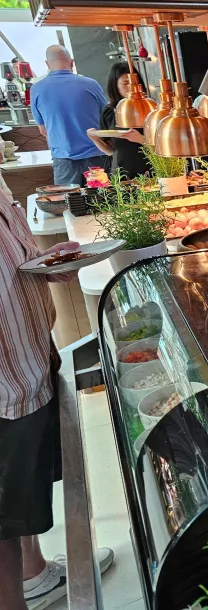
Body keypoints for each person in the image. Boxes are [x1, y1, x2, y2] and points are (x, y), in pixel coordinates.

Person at [0, 191, 113, 610]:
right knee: (2, 526)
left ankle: (36, 574)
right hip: (3, 382)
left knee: (21, 500)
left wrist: (45, 262)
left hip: (26, 352)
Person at [30, 46, 110, 186]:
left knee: (69, 205)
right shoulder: (91, 84)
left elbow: (43, 131)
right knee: (103, 202)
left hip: (64, 161)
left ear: (47, 64)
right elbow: (108, 117)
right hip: (97, 157)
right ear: (72, 62)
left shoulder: (37, 89)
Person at [86, 61, 151, 179]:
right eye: (126, 83)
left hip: (149, 169)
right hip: (121, 172)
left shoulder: (149, 107)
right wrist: (94, 139)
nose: (131, 87)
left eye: (135, 83)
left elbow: (163, 146)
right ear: (115, 85)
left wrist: (141, 139)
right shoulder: (109, 111)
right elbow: (111, 151)